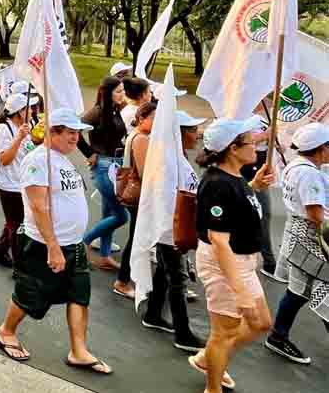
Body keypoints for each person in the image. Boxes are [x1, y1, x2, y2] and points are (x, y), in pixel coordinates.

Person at [0, 108, 111, 375]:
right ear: (53, 132)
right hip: (43, 244)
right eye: (70, 133)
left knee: (79, 295)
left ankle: (79, 350)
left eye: (77, 133)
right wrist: (53, 247)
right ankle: (6, 331)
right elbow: (38, 206)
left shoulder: (62, 159)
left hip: (73, 244)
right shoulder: (37, 161)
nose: (76, 138)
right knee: (31, 294)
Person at [188, 117, 274, 393]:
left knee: (261, 323)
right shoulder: (217, 184)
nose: (256, 147)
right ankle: (212, 387)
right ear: (233, 149)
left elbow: (237, 208)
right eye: (250, 142)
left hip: (242, 261)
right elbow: (219, 240)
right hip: (224, 264)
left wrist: (255, 187)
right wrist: (240, 291)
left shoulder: (235, 178)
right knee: (223, 334)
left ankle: (208, 359)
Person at [136, 110, 207, 352]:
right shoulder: (169, 160)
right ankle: (182, 332)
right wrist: (176, 231)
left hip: (171, 228)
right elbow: (168, 198)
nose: (197, 135)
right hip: (171, 229)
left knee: (166, 273)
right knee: (178, 280)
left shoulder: (175, 156)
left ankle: (153, 313)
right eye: (193, 131)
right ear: (180, 134)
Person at [266, 123, 329, 364]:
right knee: (322, 287)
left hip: (296, 234)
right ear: (321, 148)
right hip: (311, 237)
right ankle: (277, 335)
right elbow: (315, 214)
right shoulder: (310, 173)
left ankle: (278, 334)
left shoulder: (294, 166)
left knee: (300, 291)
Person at [78, 77, 128, 272]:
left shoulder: (114, 110)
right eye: (118, 91)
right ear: (107, 93)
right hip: (103, 166)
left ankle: (105, 255)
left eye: (123, 91)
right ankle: (85, 241)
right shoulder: (97, 111)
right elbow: (77, 128)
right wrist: (89, 153)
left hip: (116, 165)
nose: (122, 95)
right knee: (121, 216)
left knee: (108, 213)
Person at [112, 102, 157, 299]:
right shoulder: (140, 139)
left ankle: (131, 278)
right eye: (153, 118)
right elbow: (145, 170)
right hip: (140, 195)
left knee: (139, 238)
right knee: (136, 239)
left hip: (140, 194)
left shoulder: (141, 136)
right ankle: (122, 280)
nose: (156, 123)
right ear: (141, 118)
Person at [0, 93, 38, 267]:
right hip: (9, 185)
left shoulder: (28, 125)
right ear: (19, 112)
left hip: (24, 182)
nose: (32, 110)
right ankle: (20, 267)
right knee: (18, 225)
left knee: (14, 221)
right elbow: (4, 159)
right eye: (29, 108)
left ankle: (0, 251)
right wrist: (19, 137)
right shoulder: (4, 129)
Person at [240, 100, 277, 279]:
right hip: (246, 170)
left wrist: (274, 141)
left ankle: (268, 260)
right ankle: (267, 260)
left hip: (261, 168)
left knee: (264, 214)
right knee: (251, 213)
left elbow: (266, 142)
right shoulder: (239, 115)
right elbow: (240, 140)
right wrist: (265, 135)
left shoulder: (265, 117)